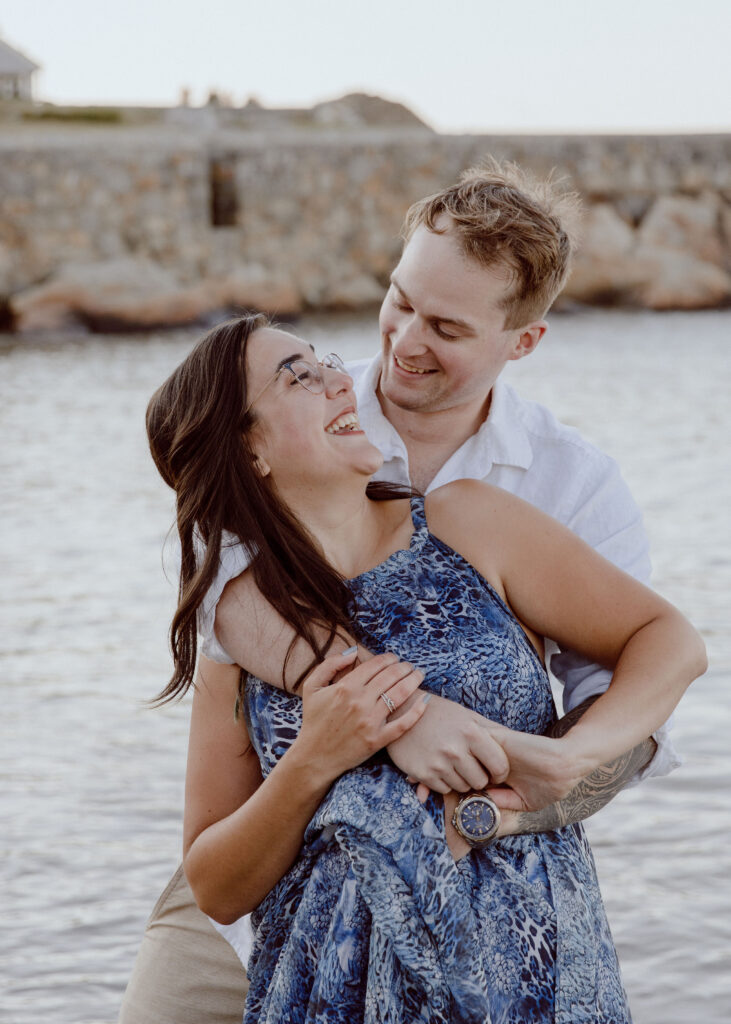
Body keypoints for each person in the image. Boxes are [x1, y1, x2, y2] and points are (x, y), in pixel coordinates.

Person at [119, 161, 681, 1022]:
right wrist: (395, 714)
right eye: (399, 299)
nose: (402, 342)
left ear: (519, 343)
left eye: (446, 326)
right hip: (281, 895)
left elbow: (641, 685)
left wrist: (526, 788)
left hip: (496, 891)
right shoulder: (301, 402)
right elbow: (221, 590)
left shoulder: (565, 486)